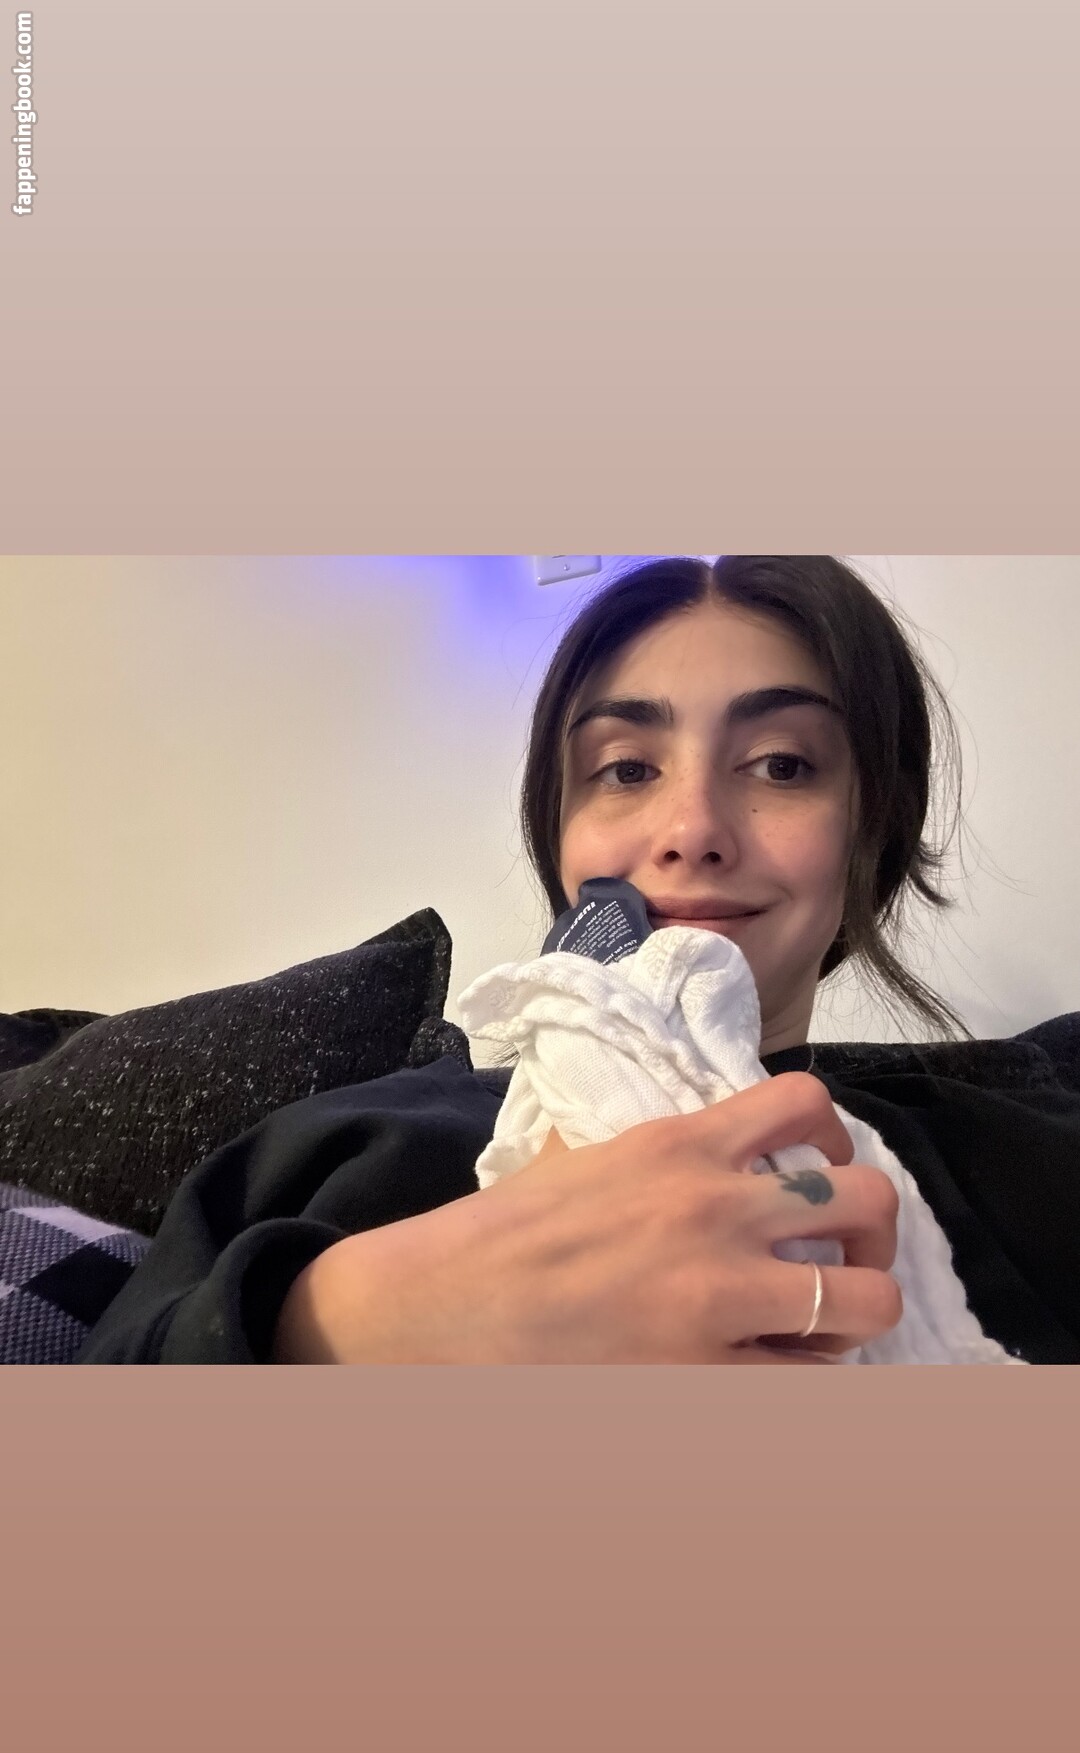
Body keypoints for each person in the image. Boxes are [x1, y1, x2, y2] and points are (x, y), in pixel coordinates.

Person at [76, 557, 1080, 1364]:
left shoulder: (1021, 1152)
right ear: (559, 834)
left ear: (875, 828)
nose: (691, 830)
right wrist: (346, 1323)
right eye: (626, 770)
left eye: (782, 765)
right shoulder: (336, 1142)